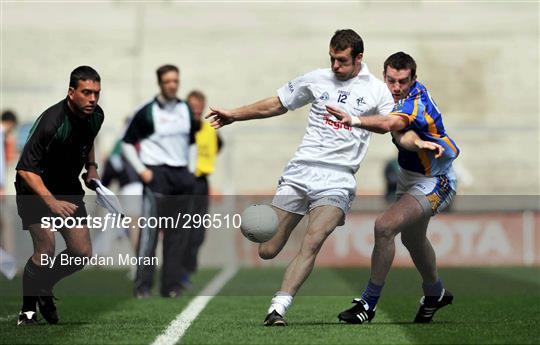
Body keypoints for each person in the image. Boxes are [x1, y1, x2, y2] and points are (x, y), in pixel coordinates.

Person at [207, 30, 439, 326]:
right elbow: (278, 103)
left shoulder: (378, 91)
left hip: (338, 180)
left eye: (342, 60)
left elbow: (395, 128)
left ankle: (277, 308)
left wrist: (415, 142)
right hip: (299, 172)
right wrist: (234, 115)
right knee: (267, 249)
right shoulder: (316, 79)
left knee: (313, 240)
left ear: (359, 58)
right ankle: (267, 237)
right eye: (332, 58)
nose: (335, 66)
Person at [328, 52, 459, 324]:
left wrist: (353, 119)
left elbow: (397, 127)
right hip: (410, 177)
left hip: (436, 180)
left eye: (403, 81)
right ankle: (435, 292)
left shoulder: (415, 101)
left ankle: (368, 303)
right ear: (384, 76)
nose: (397, 87)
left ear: (414, 79)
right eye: (391, 80)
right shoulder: (388, 94)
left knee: (384, 226)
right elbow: (401, 134)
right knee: (412, 239)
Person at [14, 66, 104, 325]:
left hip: (67, 188)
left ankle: (44, 286)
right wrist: (51, 202)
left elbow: (88, 139)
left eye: (96, 93)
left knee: (82, 253)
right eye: (86, 92)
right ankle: (28, 312)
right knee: (45, 251)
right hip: (33, 188)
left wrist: (91, 167)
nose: (92, 99)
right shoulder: (53, 122)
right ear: (71, 92)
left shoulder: (96, 115)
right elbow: (25, 170)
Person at [122, 64, 199, 298]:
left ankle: (171, 286)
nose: (172, 85)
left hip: (181, 176)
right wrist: (142, 170)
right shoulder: (147, 112)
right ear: (160, 83)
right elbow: (126, 143)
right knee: (150, 234)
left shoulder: (185, 108)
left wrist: (192, 170)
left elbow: (192, 141)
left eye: (176, 80)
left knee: (177, 235)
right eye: (167, 81)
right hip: (156, 175)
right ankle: (143, 286)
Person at [182, 90, 223, 287]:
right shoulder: (181, 129)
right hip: (184, 184)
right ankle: (179, 272)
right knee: (183, 230)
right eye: (192, 108)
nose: (196, 111)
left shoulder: (209, 130)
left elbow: (218, 145)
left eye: (199, 108)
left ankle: (188, 268)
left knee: (198, 232)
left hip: (201, 184)